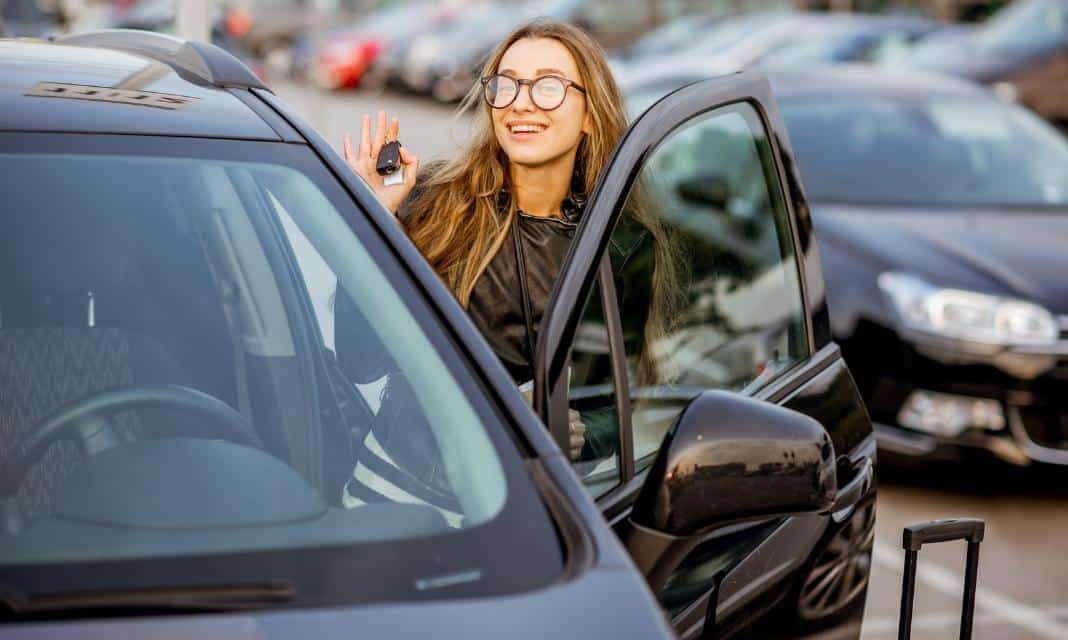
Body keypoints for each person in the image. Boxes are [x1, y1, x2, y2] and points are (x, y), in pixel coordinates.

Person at [335, 19, 681, 520]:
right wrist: (376, 222)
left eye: (547, 86)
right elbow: (358, 360)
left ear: (590, 112)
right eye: (506, 84)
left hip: (524, 511)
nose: (520, 103)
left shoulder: (621, 244)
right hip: (391, 490)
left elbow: (623, 404)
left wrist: (578, 430)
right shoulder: (434, 204)